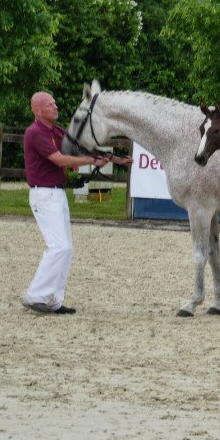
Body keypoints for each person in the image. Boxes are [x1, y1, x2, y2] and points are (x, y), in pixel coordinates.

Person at [22, 91, 132, 314]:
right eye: (50, 105)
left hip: (57, 194)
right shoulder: (35, 133)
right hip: (43, 194)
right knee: (59, 247)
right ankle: (35, 295)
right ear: (37, 110)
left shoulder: (55, 131)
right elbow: (59, 159)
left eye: (55, 103)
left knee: (66, 249)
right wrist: (92, 161)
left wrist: (116, 159)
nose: (56, 107)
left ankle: (53, 300)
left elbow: (81, 147)